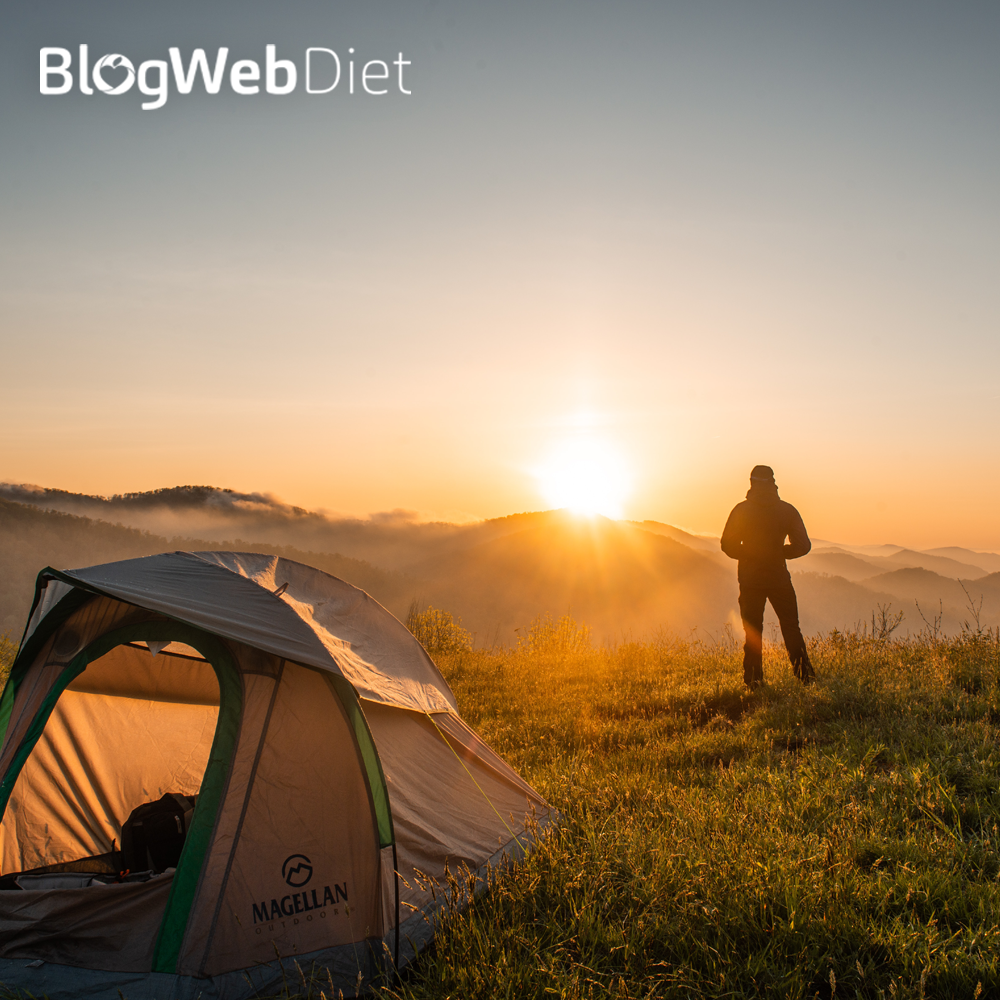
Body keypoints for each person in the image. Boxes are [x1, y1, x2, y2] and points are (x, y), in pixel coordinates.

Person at [721, 465, 815, 689]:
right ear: (773, 482)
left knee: (753, 630)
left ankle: (754, 681)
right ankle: (806, 677)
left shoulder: (741, 510)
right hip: (779, 577)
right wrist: (779, 552)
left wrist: (750, 553)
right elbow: (803, 545)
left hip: (750, 579)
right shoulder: (787, 510)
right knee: (791, 627)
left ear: (751, 483)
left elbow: (727, 545)